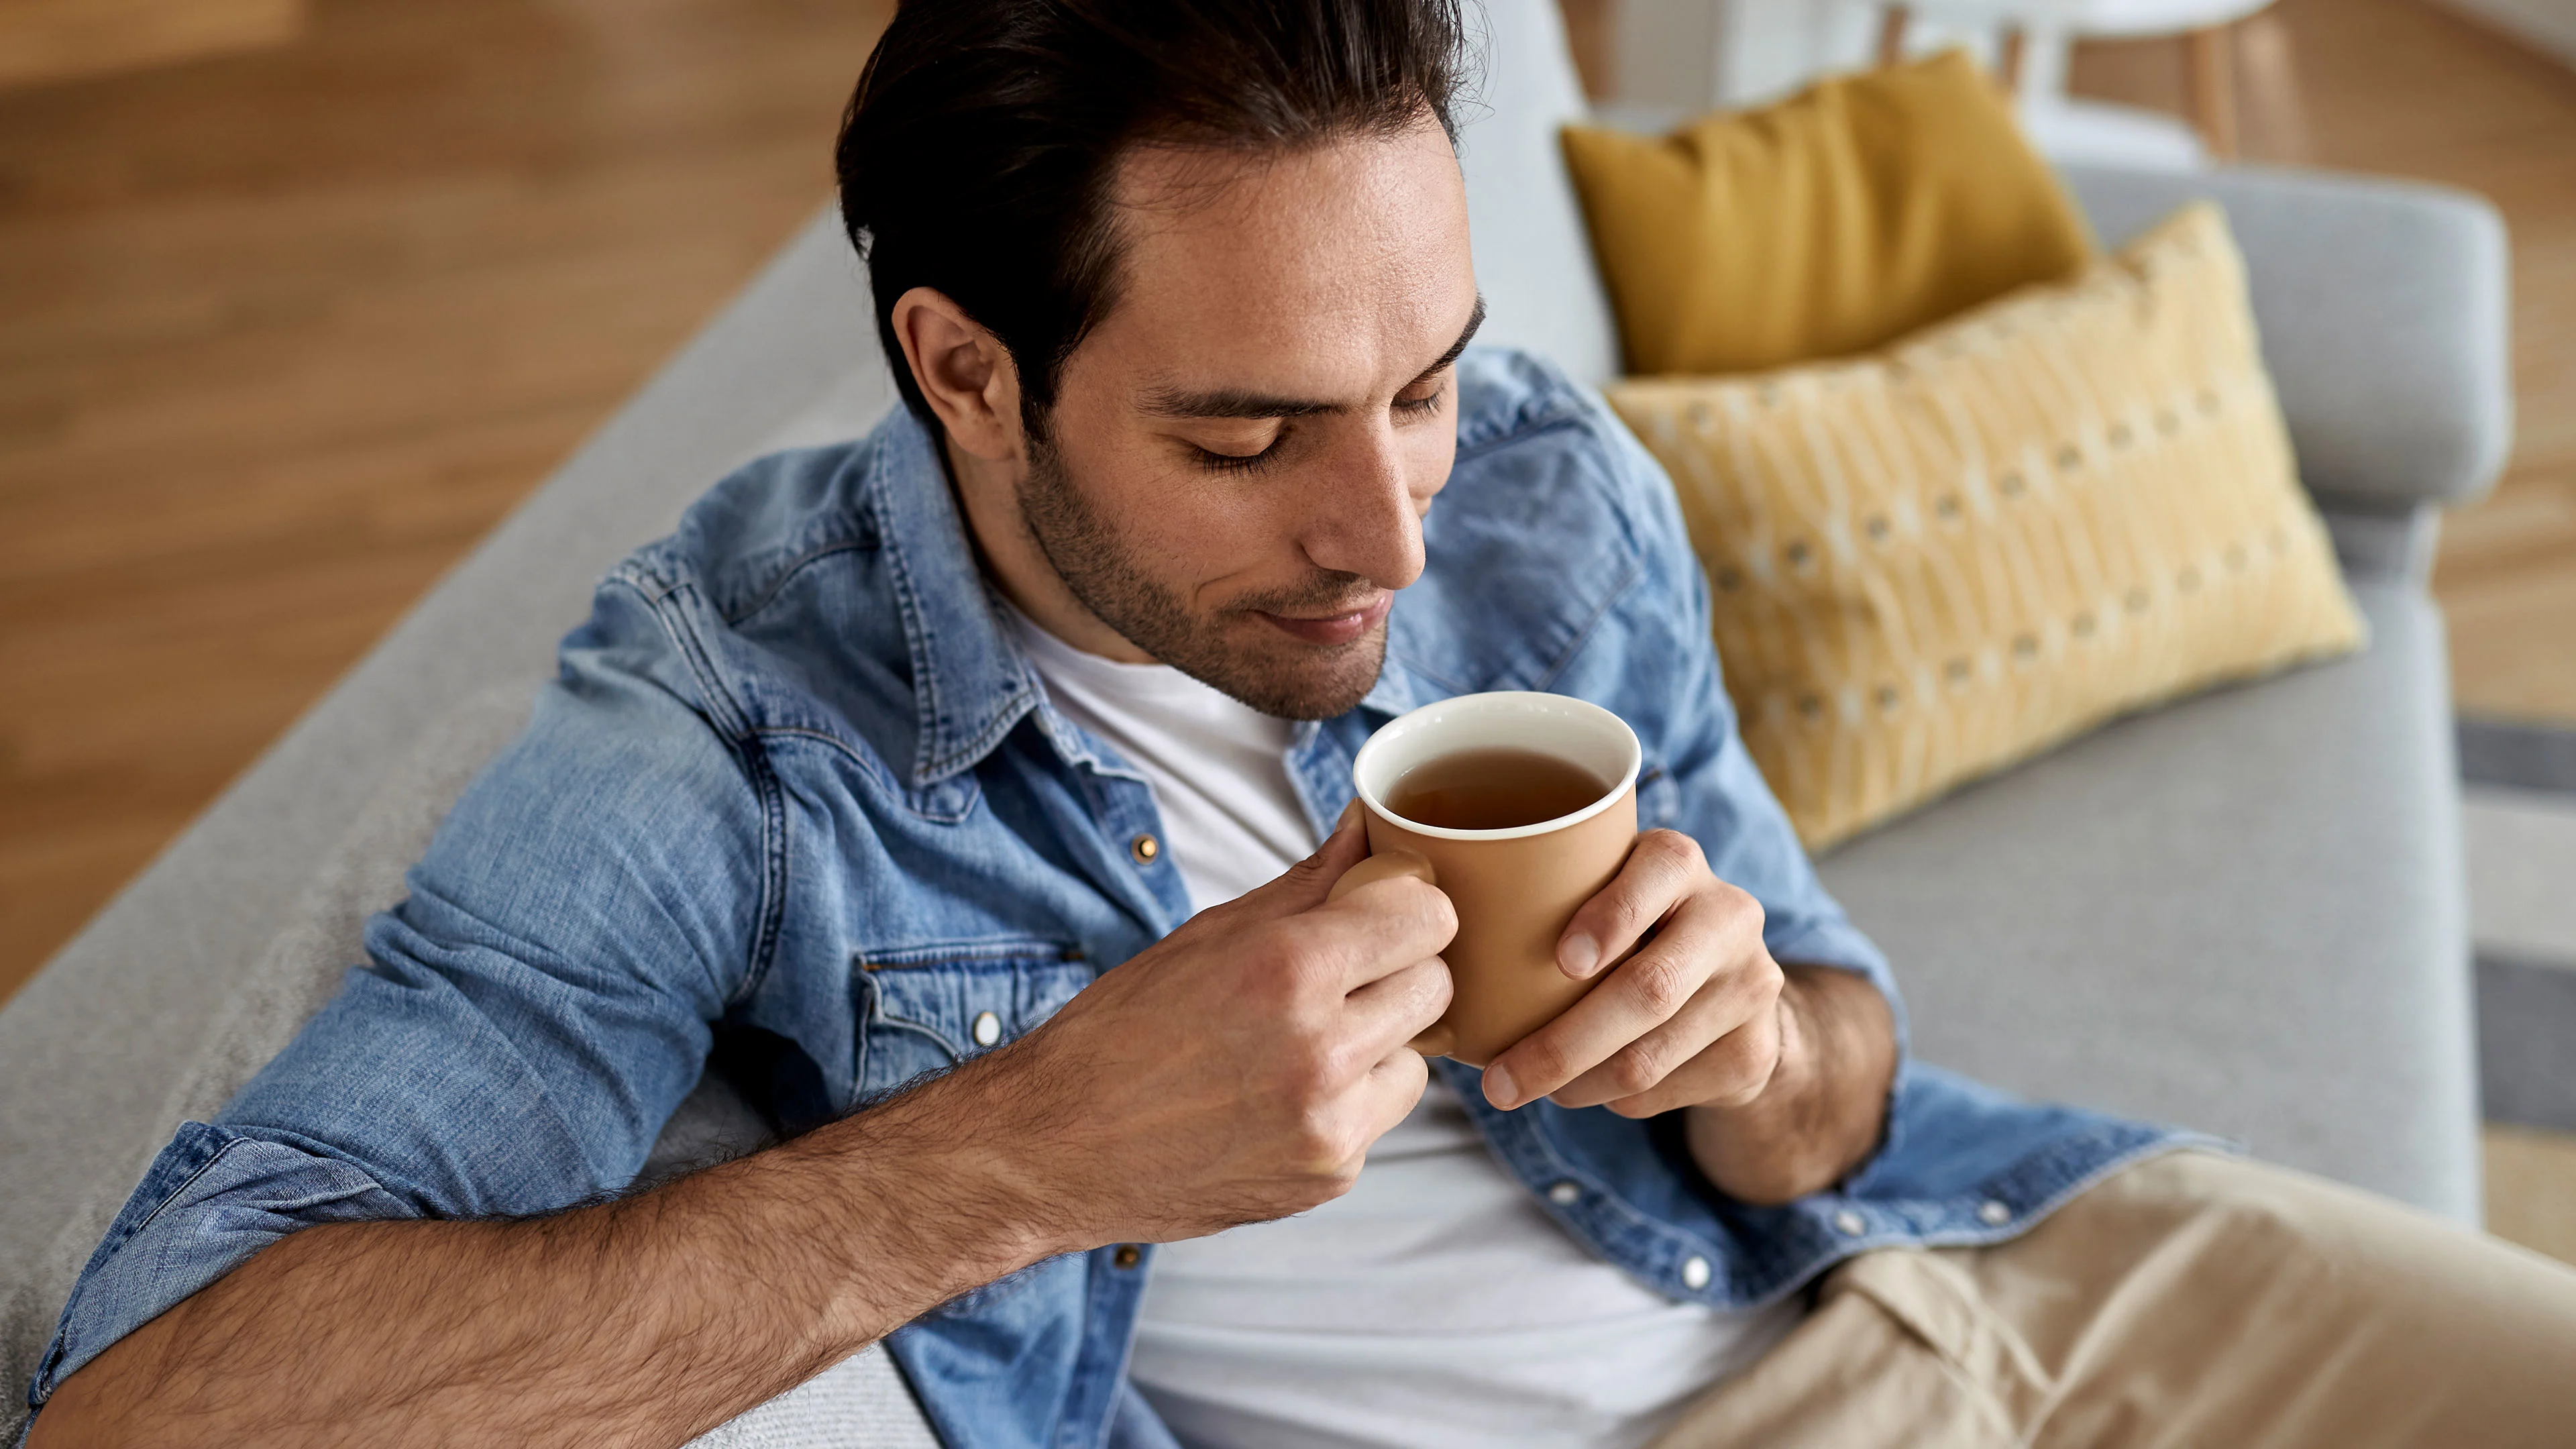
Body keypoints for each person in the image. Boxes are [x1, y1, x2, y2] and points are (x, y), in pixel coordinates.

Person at [24, 1, 2576, 1445]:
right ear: (967, 371)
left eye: (1428, 384)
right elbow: (151, 1405)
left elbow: (1848, 1071)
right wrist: (1018, 1162)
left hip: (1968, 1277)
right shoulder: (725, 724)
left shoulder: (1547, 494)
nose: (1388, 532)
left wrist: (1747, 1039)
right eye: (1247, 439)